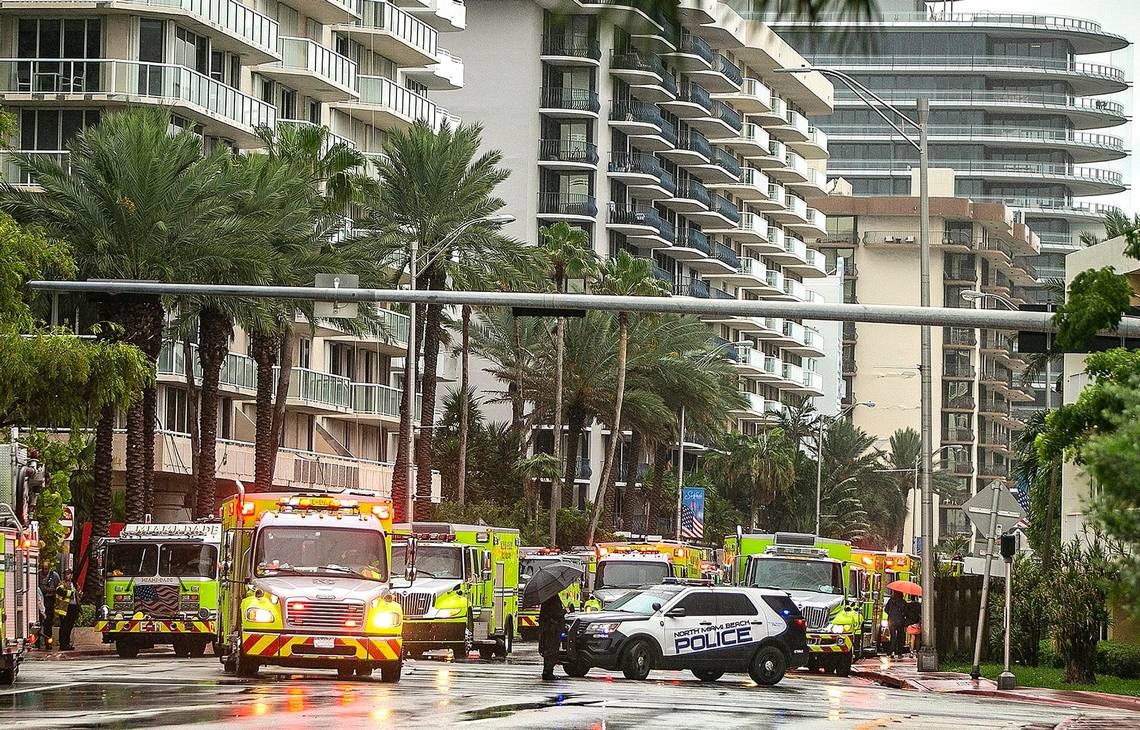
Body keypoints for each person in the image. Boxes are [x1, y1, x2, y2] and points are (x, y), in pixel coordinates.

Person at [538, 594, 566, 681]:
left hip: (548, 629)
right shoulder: (552, 598)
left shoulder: (546, 598)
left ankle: (547, 671)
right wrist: (565, 611)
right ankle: (548, 672)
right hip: (552, 629)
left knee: (549, 650)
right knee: (552, 650)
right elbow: (556, 614)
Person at [55, 569, 80, 651]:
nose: (67, 576)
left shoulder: (74, 584)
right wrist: (70, 593)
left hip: (73, 607)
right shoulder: (62, 584)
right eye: (66, 574)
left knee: (70, 626)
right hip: (65, 608)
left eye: (68, 574)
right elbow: (59, 591)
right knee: (64, 626)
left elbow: (78, 593)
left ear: (71, 575)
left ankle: (67, 643)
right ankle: (63, 644)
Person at [40, 565, 60, 651]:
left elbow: (58, 588)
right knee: (39, 623)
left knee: (48, 623)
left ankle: (48, 643)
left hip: (49, 600)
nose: (44, 571)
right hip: (40, 600)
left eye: (46, 569)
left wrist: (50, 591)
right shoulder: (38, 574)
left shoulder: (54, 576)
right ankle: (37, 644)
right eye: (43, 569)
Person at [884, 592, 908, 658]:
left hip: (891, 621)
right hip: (900, 621)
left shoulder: (890, 601)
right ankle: (899, 652)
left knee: (893, 636)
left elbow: (886, 610)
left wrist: (891, 614)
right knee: (900, 637)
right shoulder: (903, 602)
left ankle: (892, 651)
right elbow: (906, 611)